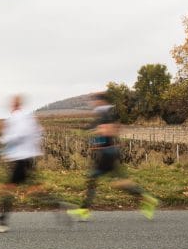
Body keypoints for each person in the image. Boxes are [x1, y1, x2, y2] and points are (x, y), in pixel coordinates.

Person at [67, 92, 159, 221]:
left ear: (101, 101)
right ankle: (146, 198)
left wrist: (97, 131)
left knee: (93, 177)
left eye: (94, 100)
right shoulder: (107, 112)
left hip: (107, 152)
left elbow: (109, 131)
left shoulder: (106, 113)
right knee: (118, 182)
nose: (92, 103)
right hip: (110, 151)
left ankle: (84, 209)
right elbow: (116, 129)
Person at [0, 94, 44, 232]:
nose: (11, 105)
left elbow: (19, 135)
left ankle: (2, 222)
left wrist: (4, 141)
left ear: (15, 104)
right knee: (32, 189)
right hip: (27, 157)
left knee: (8, 188)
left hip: (22, 159)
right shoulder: (28, 117)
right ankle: (60, 206)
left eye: (12, 103)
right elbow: (39, 132)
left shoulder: (17, 117)